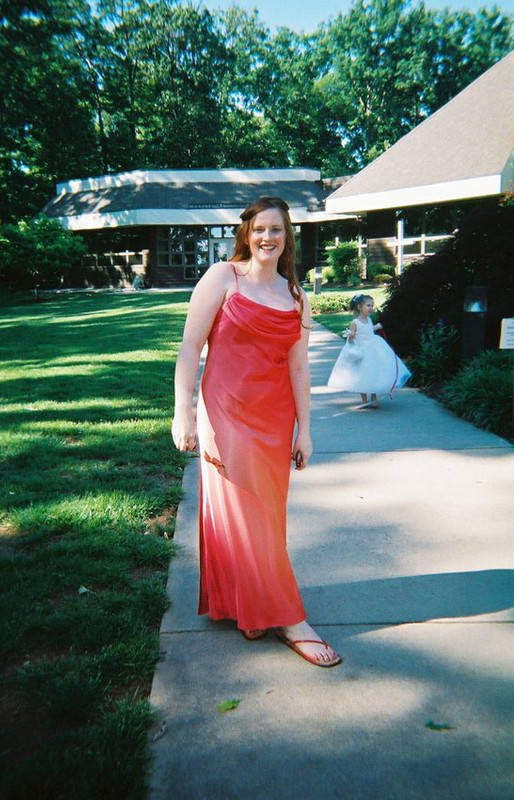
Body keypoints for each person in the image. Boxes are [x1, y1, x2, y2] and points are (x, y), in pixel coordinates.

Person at [172, 196, 341, 668]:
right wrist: (183, 413)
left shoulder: (296, 296)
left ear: (288, 238)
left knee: (266, 515)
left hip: (274, 419)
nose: (268, 237)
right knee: (248, 514)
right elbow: (190, 346)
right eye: (260, 228)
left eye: (277, 229)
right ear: (246, 234)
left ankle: (247, 605)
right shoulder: (222, 278)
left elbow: (299, 367)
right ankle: (290, 619)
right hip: (226, 412)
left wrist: (305, 430)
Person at [327, 293, 411, 408]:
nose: (371, 308)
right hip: (362, 351)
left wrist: (377, 327)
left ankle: (374, 398)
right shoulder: (355, 322)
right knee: (362, 374)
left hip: (373, 349)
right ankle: (364, 400)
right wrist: (351, 336)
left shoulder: (369, 319)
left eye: (372, 305)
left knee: (373, 373)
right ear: (359, 307)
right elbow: (351, 340)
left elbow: (369, 330)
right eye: (368, 305)